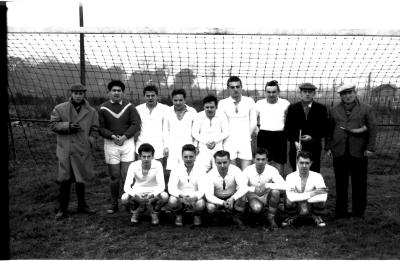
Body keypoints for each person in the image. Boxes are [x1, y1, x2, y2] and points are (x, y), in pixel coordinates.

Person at [326, 83, 377, 219]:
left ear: (355, 93)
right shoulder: (334, 110)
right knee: (341, 183)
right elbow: (329, 130)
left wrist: (370, 148)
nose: (347, 96)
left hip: (359, 151)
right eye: (344, 94)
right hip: (339, 151)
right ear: (340, 96)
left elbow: (372, 129)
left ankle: (358, 211)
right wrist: (328, 147)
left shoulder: (366, 108)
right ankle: (341, 211)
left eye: (349, 93)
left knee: (359, 182)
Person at [50, 83, 98, 220]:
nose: (78, 96)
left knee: (80, 179)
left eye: (81, 93)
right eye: (76, 93)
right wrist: (68, 126)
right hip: (66, 149)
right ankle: (62, 209)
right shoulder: (60, 108)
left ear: (84, 94)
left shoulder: (92, 111)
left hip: (82, 150)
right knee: (65, 180)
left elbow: (95, 128)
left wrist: (91, 140)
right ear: (71, 94)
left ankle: (82, 206)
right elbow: (52, 125)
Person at [98, 80, 142, 214]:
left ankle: (128, 203)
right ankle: (114, 203)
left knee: (127, 175)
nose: (116, 93)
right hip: (111, 144)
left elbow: (136, 124)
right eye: (114, 90)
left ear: (123, 93)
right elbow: (100, 128)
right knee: (114, 176)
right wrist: (112, 136)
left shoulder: (130, 107)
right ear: (109, 92)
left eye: (119, 91)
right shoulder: (103, 108)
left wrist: (125, 136)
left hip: (127, 143)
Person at [285, 83, 329, 172]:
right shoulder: (292, 108)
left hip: (314, 147)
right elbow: (288, 129)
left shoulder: (321, 108)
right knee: (297, 171)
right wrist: (295, 141)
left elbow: (324, 129)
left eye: (310, 92)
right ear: (300, 93)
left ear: (314, 94)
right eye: (305, 92)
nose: (307, 94)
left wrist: (312, 137)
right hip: (297, 147)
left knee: (314, 172)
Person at [121, 143, 169, 225]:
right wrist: (136, 195)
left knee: (165, 196)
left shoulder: (158, 164)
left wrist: (152, 194)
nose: (146, 159)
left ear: (152, 156)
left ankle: (154, 212)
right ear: (139, 156)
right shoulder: (133, 165)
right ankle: (135, 211)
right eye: (144, 156)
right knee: (124, 198)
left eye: (149, 156)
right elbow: (126, 186)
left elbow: (162, 185)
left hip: (153, 191)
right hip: (138, 191)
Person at [218, 76, 257, 170]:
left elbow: (254, 121)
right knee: (232, 171)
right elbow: (222, 124)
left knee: (247, 170)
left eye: (238, 86)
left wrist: (248, 136)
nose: (235, 89)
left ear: (241, 87)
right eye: (232, 87)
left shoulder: (249, 101)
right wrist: (225, 138)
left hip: (245, 140)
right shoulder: (222, 103)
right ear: (228, 89)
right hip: (229, 141)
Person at [243, 148, 287, 230]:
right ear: (253, 160)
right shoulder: (247, 170)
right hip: (253, 196)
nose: (260, 162)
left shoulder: (272, 170)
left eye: (263, 159)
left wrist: (267, 185)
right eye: (258, 159)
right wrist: (254, 189)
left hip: (267, 195)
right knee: (257, 208)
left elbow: (284, 185)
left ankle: (271, 216)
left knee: (276, 192)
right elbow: (240, 187)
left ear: (267, 160)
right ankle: (255, 214)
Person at [282, 151, 328, 228]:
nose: (304, 165)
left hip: (311, 205)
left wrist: (300, 196)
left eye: (307, 163)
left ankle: (317, 216)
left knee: (321, 201)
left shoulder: (318, 176)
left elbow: (323, 196)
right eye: (301, 163)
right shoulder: (290, 177)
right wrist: (313, 193)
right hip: (297, 205)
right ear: (297, 162)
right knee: (288, 200)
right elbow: (291, 197)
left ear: (311, 163)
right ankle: (291, 216)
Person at [203, 150, 248, 229]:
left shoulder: (236, 170)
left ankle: (237, 218)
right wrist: (222, 202)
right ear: (215, 162)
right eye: (219, 163)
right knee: (210, 207)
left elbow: (244, 187)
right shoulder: (210, 175)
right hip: (217, 197)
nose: (222, 166)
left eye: (225, 162)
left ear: (229, 161)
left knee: (243, 196)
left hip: (232, 196)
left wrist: (233, 198)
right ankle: (217, 218)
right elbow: (209, 195)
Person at [255, 80, 290, 176]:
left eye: (274, 92)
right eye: (268, 92)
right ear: (265, 92)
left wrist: (286, 133)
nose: (271, 94)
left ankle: (278, 188)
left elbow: (290, 121)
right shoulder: (259, 103)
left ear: (278, 92)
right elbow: (253, 120)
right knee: (264, 162)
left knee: (279, 164)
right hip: (264, 135)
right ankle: (264, 186)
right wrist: (257, 131)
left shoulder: (285, 103)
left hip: (280, 136)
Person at [167, 144, 206, 227]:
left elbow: (203, 189)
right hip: (180, 196)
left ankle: (196, 215)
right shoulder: (176, 168)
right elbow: (171, 187)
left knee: (201, 204)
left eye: (191, 156)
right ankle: (179, 215)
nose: (188, 159)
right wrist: (181, 196)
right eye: (186, 157)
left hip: (194, 196)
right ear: (182, 157)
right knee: (172, 201)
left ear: (195, 156)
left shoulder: (201, 169)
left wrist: (194, 198)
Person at [192, 95, 230, 172]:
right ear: (203, 107)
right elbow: (194, 132)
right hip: (203, 148)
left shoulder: (222, 115)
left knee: (218, 171)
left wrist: (214, 141)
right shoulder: (198, 116)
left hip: (218, 147)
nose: (209, 109)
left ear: (216, 107)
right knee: (201, 171)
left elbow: (226, 131)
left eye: (212, 107)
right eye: (207, 107)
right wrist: (206, 142)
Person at [135, 83, 169, 166]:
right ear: (144, 96)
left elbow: (167, 129)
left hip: (159, 146)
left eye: (153, 95)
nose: (150, 98)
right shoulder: (137, 109)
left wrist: (166, 146)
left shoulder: (165, 109)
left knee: (158, 172)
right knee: (141, 172)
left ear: (157, 96)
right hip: (141, 144)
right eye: (148, 95)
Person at [165, 89, 197, 172]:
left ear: (185, 100)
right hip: (172, 146)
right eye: (175, 100)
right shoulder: (167, 112)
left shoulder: (193, 112)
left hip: (188, 145)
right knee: (173, 172)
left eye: (180, 100)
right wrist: (166, 146)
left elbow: (196, 131)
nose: (178, 102)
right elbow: (165, 131)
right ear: (172, 100)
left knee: (188, 169)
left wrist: (196, 146)